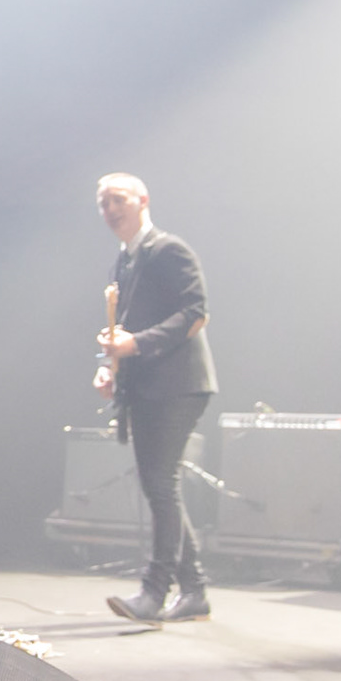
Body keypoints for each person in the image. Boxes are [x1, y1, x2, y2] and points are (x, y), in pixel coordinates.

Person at [93, 173, 220, 624]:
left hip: (179, 383)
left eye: (118, 200)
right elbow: (122, 329)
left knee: (161, 485)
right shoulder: (122, 263)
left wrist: (137, 345)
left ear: (143, 200)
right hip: (148, 384)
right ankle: (195, 591)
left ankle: (154, 591)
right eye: (103, 203)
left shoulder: (169, 250)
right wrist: (110, 366)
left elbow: (195, 312)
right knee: (158, 486)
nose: (110, 210)